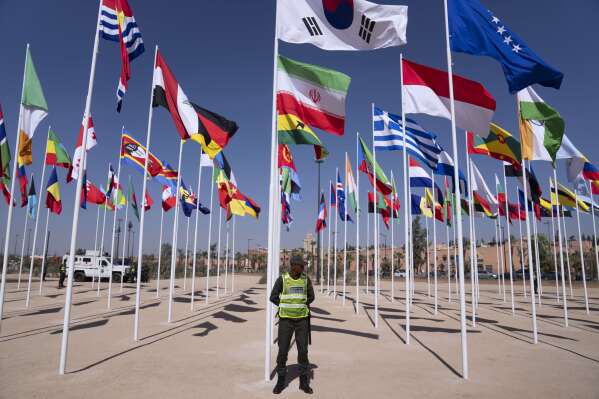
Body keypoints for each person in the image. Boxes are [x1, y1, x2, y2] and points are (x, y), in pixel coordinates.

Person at [270, 255, 315, 395]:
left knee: (303, 351)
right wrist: (285, 305)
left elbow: (311, 297)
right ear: (294, 266)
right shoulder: (282, 279)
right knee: (282, 351)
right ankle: (281, 382)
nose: (303, 268)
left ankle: (303, 382)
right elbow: (273, 297)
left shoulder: (305, 280)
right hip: (286, 321)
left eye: (303, 266)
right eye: (301, 266)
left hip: (302, 320)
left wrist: (300, 305)